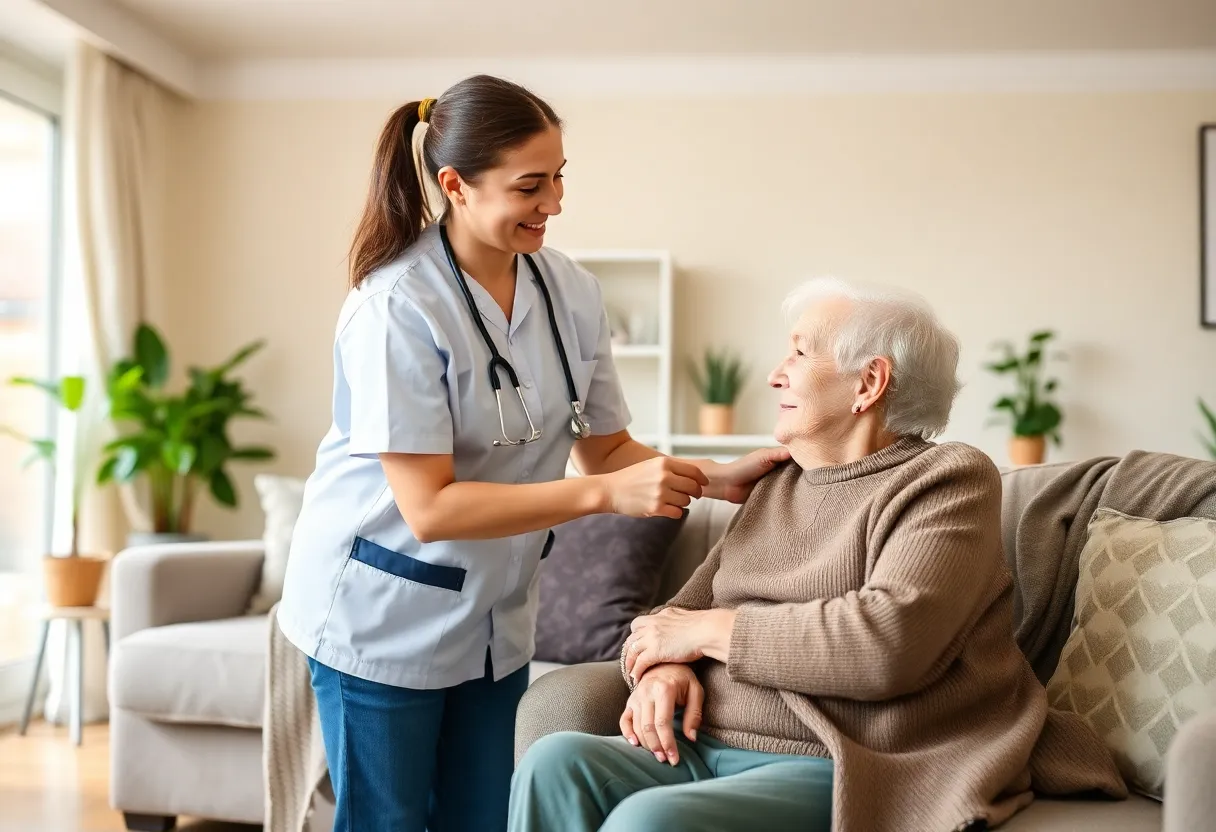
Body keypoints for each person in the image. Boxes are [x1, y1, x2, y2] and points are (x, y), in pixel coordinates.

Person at [274, 74, 787, 832]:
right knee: (387, 823)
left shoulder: (571, 292)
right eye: (530, 185)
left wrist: (716, 479)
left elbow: (605, 447)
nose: (554, 203)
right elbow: (430, 508)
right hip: (379, 614)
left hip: (495, 619)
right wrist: (603, 498)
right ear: (456, 184)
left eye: (559, 178)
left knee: (485, 818)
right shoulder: (396, 306)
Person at [509, 277, 1126, 832]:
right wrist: (662, 667)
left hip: (846, 758)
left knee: (651, 821)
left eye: (800, 352)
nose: (776, 373)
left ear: (870, 383)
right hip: (705, 742)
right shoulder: (780, 485)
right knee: (554, 762)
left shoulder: (946, 480)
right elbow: (672, 618)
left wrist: (707, 632)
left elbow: (887, 645)